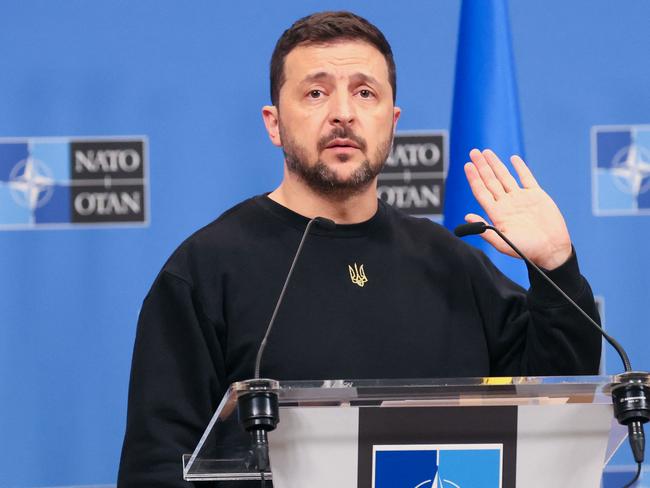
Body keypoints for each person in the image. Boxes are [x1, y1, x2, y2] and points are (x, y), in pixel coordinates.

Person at [117, 11, 601, 487]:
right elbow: (159, 465)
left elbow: (556, 404)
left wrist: (556, 265)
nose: (343, 112)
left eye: (365, 93)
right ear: (274, 123)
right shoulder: (205, 269)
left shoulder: (451, 263)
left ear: (391, 122)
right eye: (315, 92)